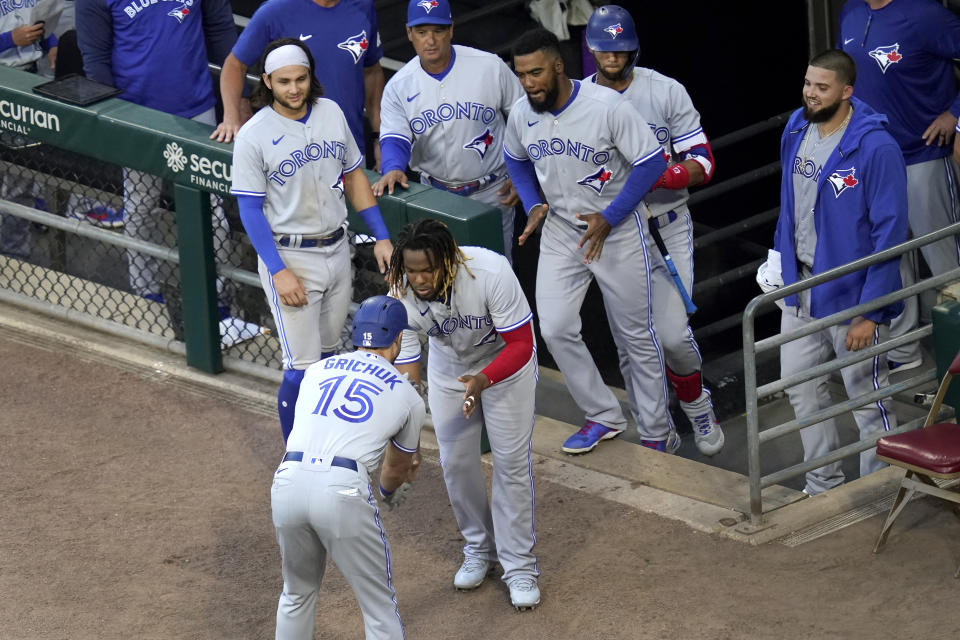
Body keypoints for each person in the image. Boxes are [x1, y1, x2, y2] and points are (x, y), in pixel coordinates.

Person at [503, 28, 675, 454]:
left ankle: (657, 431)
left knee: (635, 335)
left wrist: (611, 216)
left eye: (536, 73)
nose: (529, 83)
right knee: (556, 327)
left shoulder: (606, 106)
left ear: (559, 65)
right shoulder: (521, 113)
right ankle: (603, 414)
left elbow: (652, 161)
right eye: (521, 75)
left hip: (615, 230)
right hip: (562, 230)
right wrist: (532, 203)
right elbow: (514, 158)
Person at [230, 38, 393, 442]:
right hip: (290, 255)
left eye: (301, 79)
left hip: (339, 249)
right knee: (301, 366)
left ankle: (325, 441)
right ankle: (295, 457)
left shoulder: (331, 113)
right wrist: (278, 270)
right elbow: (250, 210)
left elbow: (355, 176)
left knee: (330, 357)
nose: (294, 89)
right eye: (283, 81)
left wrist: (381, 236)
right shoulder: (254, 135)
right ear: (266, 80)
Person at [583, 5, 723, 456]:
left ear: (634, 47)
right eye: (606, 49)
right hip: (615, 232)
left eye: (621, 49)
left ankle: (696, 402)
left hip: (664, 225)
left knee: (672, 336)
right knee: (630, 342)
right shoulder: (577, 100)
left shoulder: (665, 91)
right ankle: (656, 432)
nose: (613, 58)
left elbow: (703, 161)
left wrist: (656, 176)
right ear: (592, 49)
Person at [771, 49, 906, 495]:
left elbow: (891, 233)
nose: (811, 93)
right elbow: (789, 205)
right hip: (801, 287)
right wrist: (778, 262)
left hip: (852, 297)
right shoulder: (796, 125)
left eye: (822, 87)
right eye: (808, 83)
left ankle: (877, 489)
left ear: (847, 91)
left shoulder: (876, 146)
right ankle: (822, 485)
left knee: (866, 397)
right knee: (800, 387)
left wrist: (871, 312)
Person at [389, 218, 541, 610]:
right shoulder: (400, 289)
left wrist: (484, 380)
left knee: (510, 464)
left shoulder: (490, 273)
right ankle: (479, 548)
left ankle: (519, 566)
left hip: (504, 367)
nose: (419, 279)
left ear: (449, 262)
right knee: (455, 462)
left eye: (428, 269)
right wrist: (406, 434)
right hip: (449, 367)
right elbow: (407, 369)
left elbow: (522, 344)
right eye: (412, 270)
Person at [271, 294, 425, 640]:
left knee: (296, 593)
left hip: (288, 481)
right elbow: (396, 469)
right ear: (398, 339)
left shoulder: (316, 370)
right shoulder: (407, 396)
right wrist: (388, 492)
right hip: (341, 491)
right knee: (379, 607)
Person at [77, 0, 236, 302]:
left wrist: (236, 98)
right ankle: (144, 290)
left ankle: (220, 292)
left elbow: (221, 32)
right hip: (137, 115)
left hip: (197, 110)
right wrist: (116, 116)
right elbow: (95, 59)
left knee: (211, 209)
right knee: (140, 205)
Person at [839, 0, 960, 371]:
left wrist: (956, 113)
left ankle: (956, 357)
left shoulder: (925, 14)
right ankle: (903, 353)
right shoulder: (851, 11)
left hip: (924, 153)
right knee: (889, 258)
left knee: (946, 265)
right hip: (875, 160)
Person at [372, 0, 523, 263]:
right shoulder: (399, 85)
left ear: (451, 30)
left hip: (493, 191)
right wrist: (393, 166)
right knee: (444, 278)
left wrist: (524, 173)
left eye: (438, 30)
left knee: (497, 275)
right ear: (409, 33)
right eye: (421, 32)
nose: (430, 40)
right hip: (435, 196)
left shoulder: (489, 66)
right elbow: (395, 137)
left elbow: (525, 120)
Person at [212, 0, 385, 170]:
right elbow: (235, 65)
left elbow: (372, 72)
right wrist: (230, 118)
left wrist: (380, 138)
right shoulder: (276, 10)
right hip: (289, 156)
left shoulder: (363, 6)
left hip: (349, 149)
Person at [0, 0, 60, 259]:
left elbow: (42, 20)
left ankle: (14, 256)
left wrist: (52, 42)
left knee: (21, 182)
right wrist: (8, 39)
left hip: (27, 82)